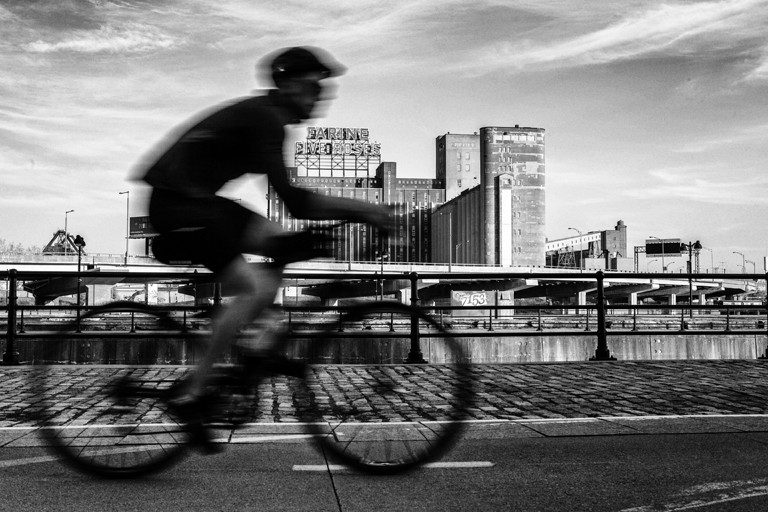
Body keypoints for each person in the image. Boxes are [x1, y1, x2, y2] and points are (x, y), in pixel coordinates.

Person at [138, 46, 391, 449]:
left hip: (200, 200)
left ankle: (256, 346)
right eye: (313, 86)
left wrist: (298, 240)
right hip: (178, 204)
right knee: (254, 287)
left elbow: (287, 210)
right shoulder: (265, 118)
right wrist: (366, 210)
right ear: (289, 84)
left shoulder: (270, 119)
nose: (322, 95)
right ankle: (193, 393)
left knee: (279, 242)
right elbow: (296, 202)